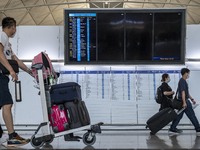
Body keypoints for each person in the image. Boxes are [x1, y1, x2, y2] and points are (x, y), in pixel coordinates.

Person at [0, 17, 32, 146]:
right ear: (12, 27)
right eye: (15, 27)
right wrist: (11, 71)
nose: (15, 30)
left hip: (3, 76)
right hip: (0, 75)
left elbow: (15, 59)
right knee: (7, 104)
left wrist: (30, 71)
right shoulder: (2, 35)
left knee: (4, 104)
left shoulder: (7, 42)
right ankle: (12, 136)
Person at [169, 68, 200, 135]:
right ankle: (198, 129)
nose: (189, 75)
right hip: (184, 102)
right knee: (192, 115)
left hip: (182, 102)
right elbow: (183, 92)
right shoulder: (182, 81)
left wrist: (192, 99)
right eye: (188, 73)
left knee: (178, 116)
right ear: (185, 73)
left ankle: (172, 128)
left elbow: (186, 93)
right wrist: (184, 102)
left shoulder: (183, 81)